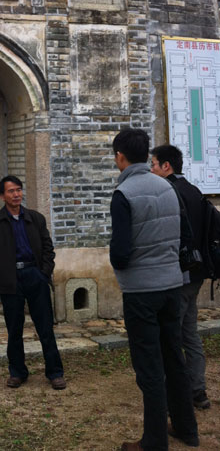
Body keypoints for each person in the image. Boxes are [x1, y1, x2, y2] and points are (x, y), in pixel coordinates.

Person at [110, 128, 198, 451]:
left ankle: (154, 441)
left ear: (120, 157)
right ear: (147, 155)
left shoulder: (123, 194)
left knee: (149, 366)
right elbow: (185, 237)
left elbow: (119, 252)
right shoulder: (167, 188)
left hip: (141, 292)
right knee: (174, 357)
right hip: (172, 286)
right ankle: (187, 429)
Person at [0, 175, 65, 390]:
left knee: (45, 327)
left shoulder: (35, 218)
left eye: (19, 190)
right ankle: (17, 372)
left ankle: (55, 372)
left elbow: (48, 249)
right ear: (3, 196)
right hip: (10, 279)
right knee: (14, 328)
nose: (16, 194)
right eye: (11, 191)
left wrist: (44, 273)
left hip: (34, 275)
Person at [150, 144, 210, 410]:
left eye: (153, 164)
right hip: (197, 273)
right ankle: (198, 390)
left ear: (166, 166)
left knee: (172, 335)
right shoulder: (195, 191)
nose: (151, 169)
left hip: (178, 275)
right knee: (190, 334)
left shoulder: (169, 191)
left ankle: (179, 394)